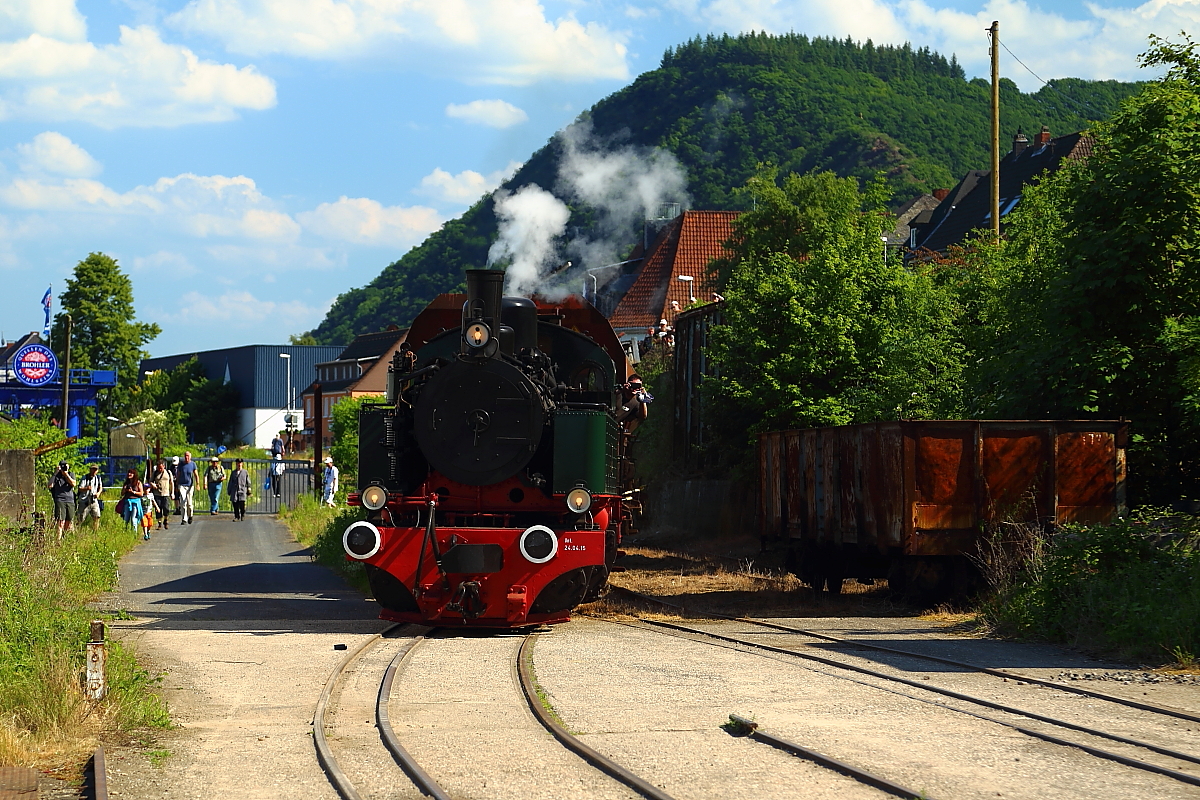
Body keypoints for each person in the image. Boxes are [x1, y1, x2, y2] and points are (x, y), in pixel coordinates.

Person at [48, 461, 76, 539]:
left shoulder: (71, 474)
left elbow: (73, 484)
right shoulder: (57, 476)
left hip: (70, 500)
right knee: (60, 522)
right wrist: (55, 473)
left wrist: (66, 474)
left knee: (69, 522)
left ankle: (66, 539)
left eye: (65, 466)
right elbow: (50, 485)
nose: (64, 468)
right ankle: (58, 541)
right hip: (60, 499)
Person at [120, 468, 147, 537]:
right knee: (126, 519)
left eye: (131, 473)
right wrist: (125, 489)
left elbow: (141, 493)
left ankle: (134, 534)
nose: (129, 474)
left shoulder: (138, 483)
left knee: (133, 518)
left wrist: (133, 492)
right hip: (127, 502)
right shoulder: (126, 483)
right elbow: (122, 494)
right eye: (128, 473)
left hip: (135, 502)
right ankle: (124, 533)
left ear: (134, 474)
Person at [76, 464, 104, 532]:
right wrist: (86, 488)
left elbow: (100, 487)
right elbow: (79, 488)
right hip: (84, 501)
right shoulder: (85, 477)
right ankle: (77, 531)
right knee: (80, 519)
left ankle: (95, 531)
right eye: (93, 469)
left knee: (97, 516)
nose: (94, 471)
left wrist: (98, 493)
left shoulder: (98, 478)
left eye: (96, 469)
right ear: (90, 469)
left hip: (94, 500)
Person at [149, 459, 175, 530]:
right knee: (158, 509)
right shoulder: (155, 473)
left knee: (166, 508)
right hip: (157, 493)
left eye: (161, 467)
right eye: (158, 467)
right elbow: (150, 482)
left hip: (166, 493)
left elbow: (172, 483)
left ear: (164, 466)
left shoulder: (168, 473)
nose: (160, 469)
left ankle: (165, 520)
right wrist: (153, 484)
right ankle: (159, 523)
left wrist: (172, 493)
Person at [177, 451, 198, 525]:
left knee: (189, 503)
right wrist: (177, 484)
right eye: (185, 456)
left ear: (190, 457)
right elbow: (178, 475)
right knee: (183, 502)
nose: (186, 457)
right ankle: (184, 519)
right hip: (182, 485)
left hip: (190, 485)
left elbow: (196, 475)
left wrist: (197, 484)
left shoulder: (193, 464)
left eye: (188, 456)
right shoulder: (181, 464)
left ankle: (190, 515)